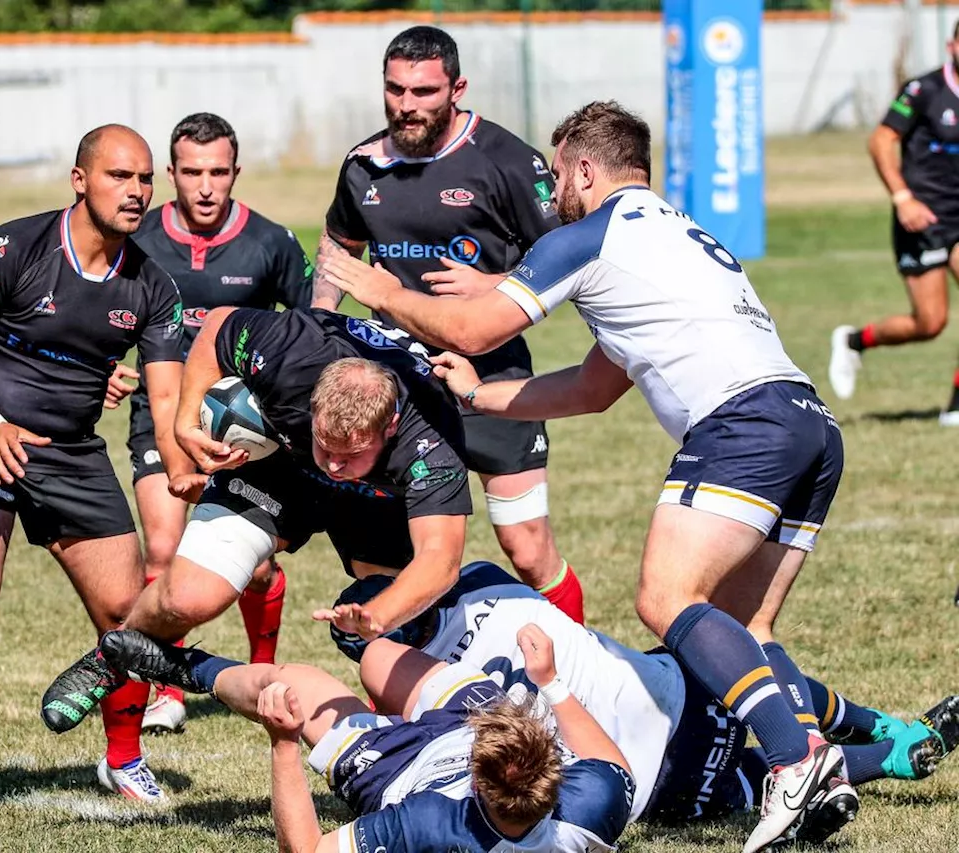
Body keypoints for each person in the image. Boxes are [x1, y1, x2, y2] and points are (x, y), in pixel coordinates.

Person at [324, 100, 853, 853]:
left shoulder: (595, 232)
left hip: (743, 425)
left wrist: (381, 292)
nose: (551, 195)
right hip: (809, 423)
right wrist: (479, 394)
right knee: (747, 627)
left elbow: (478, 326)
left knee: (666, 600)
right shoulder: (671, 235)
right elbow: (593, 388)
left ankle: (798, 760)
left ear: (583, 167)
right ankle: (812, 767)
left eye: (557, 174)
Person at [0, 124, 190, 805]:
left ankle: (123, 758)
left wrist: (188, 458)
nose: (135, 191)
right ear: (79, 179)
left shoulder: (152, 287)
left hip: (71, 456)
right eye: (119, 176)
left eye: (145, 179)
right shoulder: (12, 249)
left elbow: (164, 397)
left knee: (127, 616)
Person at [39, 307, 472, 736]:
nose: (336, 465)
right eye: (328, 447)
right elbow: (217, 325)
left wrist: (380, 614)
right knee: (187, 599)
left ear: (391, 425)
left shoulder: (433, 438)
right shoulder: (293, 355)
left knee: (400, 621)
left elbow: (440, 560)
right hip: (283, 468)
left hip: (381, 498)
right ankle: (109, 659)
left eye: (351, 453)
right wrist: (187, 421)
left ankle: (410, 739)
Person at [349, 560, 958, 840]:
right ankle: (874, 734)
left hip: (647, 795)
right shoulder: (481, 580)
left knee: (737, 782)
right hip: (682, 704)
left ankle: (887, 759)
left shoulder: (442, 697)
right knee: (739, 649)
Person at [311, 25, 585, 623]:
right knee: (384, 562)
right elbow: (338, 243)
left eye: (424, 91)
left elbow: (570, 257)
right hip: (397, 383)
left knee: (528, 548)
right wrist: (319, 322)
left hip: (493, 376)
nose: (406, 105)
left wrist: (492, 286)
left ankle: (577, 680)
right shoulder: (363, 165)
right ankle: (420, 687)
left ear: (457, 87)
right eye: (395, 90)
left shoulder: (509, 160)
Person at [111, 112, 313, 734]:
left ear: (235, 172)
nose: (205, 186)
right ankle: (165, 683)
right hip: (163, 414)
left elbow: (310, 328)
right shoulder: (136, 237)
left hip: (246, 432)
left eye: (218, 172)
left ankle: (260, 665)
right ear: (170, 174)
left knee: (253, 567)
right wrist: (107, 370)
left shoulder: (272, 243)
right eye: (192, 172)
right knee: (166, 551)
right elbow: (98, 311)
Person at [95, 624, 636, 853]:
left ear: (477, 773)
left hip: (401, 769)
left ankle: (176, 665)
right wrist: (549, 681)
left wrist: (283, 744)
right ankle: (374, 623)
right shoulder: (584, 813)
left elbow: (306, 852)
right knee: (378, 654)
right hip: (471, 730)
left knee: (292, 686)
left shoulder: (429, 827)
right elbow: (614, 768)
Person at [829, 20, 959, 424]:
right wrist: (903, 198)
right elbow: (881, 140)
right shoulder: (923, 91)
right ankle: (855, 340)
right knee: (929, 322)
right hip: (922, 217)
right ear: (951, 45)